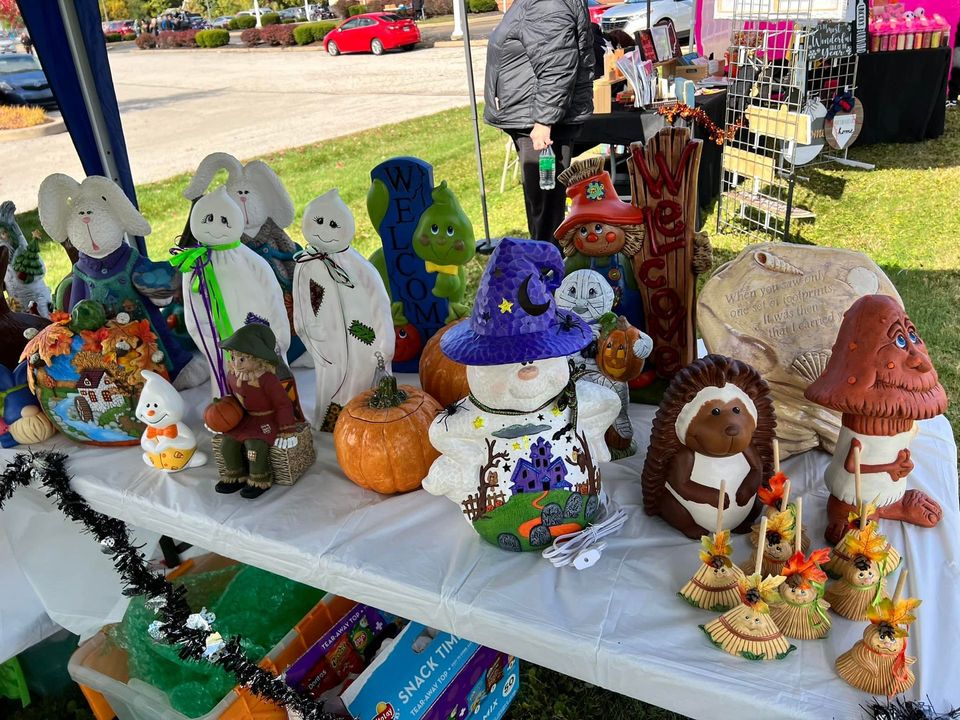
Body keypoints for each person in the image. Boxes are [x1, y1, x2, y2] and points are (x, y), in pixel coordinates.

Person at [483, 0, 594, 244]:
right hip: (533, 117)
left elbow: (557, 66)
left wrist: (544, 121)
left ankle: (548, 272)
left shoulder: (547, 4)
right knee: (542, 207)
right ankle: (545, 263)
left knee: (545, 212)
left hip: (541, 124)